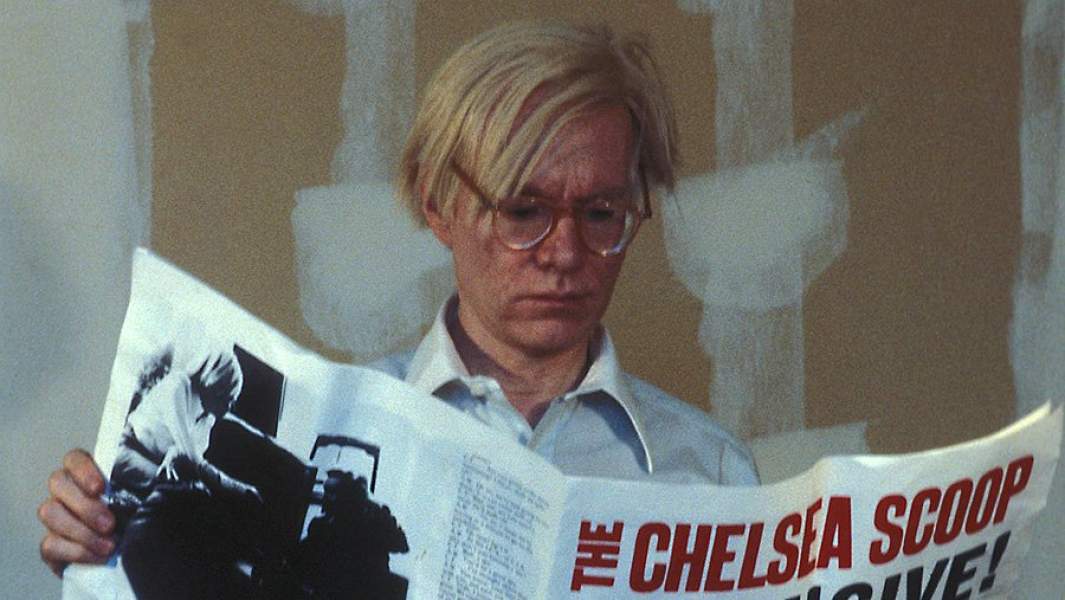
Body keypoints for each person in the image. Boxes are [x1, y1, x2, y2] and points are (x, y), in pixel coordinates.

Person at [37, 19, 759, 577]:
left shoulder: (712, 471)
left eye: (601, 214)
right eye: (522, 211)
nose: (565, 253)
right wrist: (99, 541)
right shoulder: (327, 429)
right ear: (438, 204)